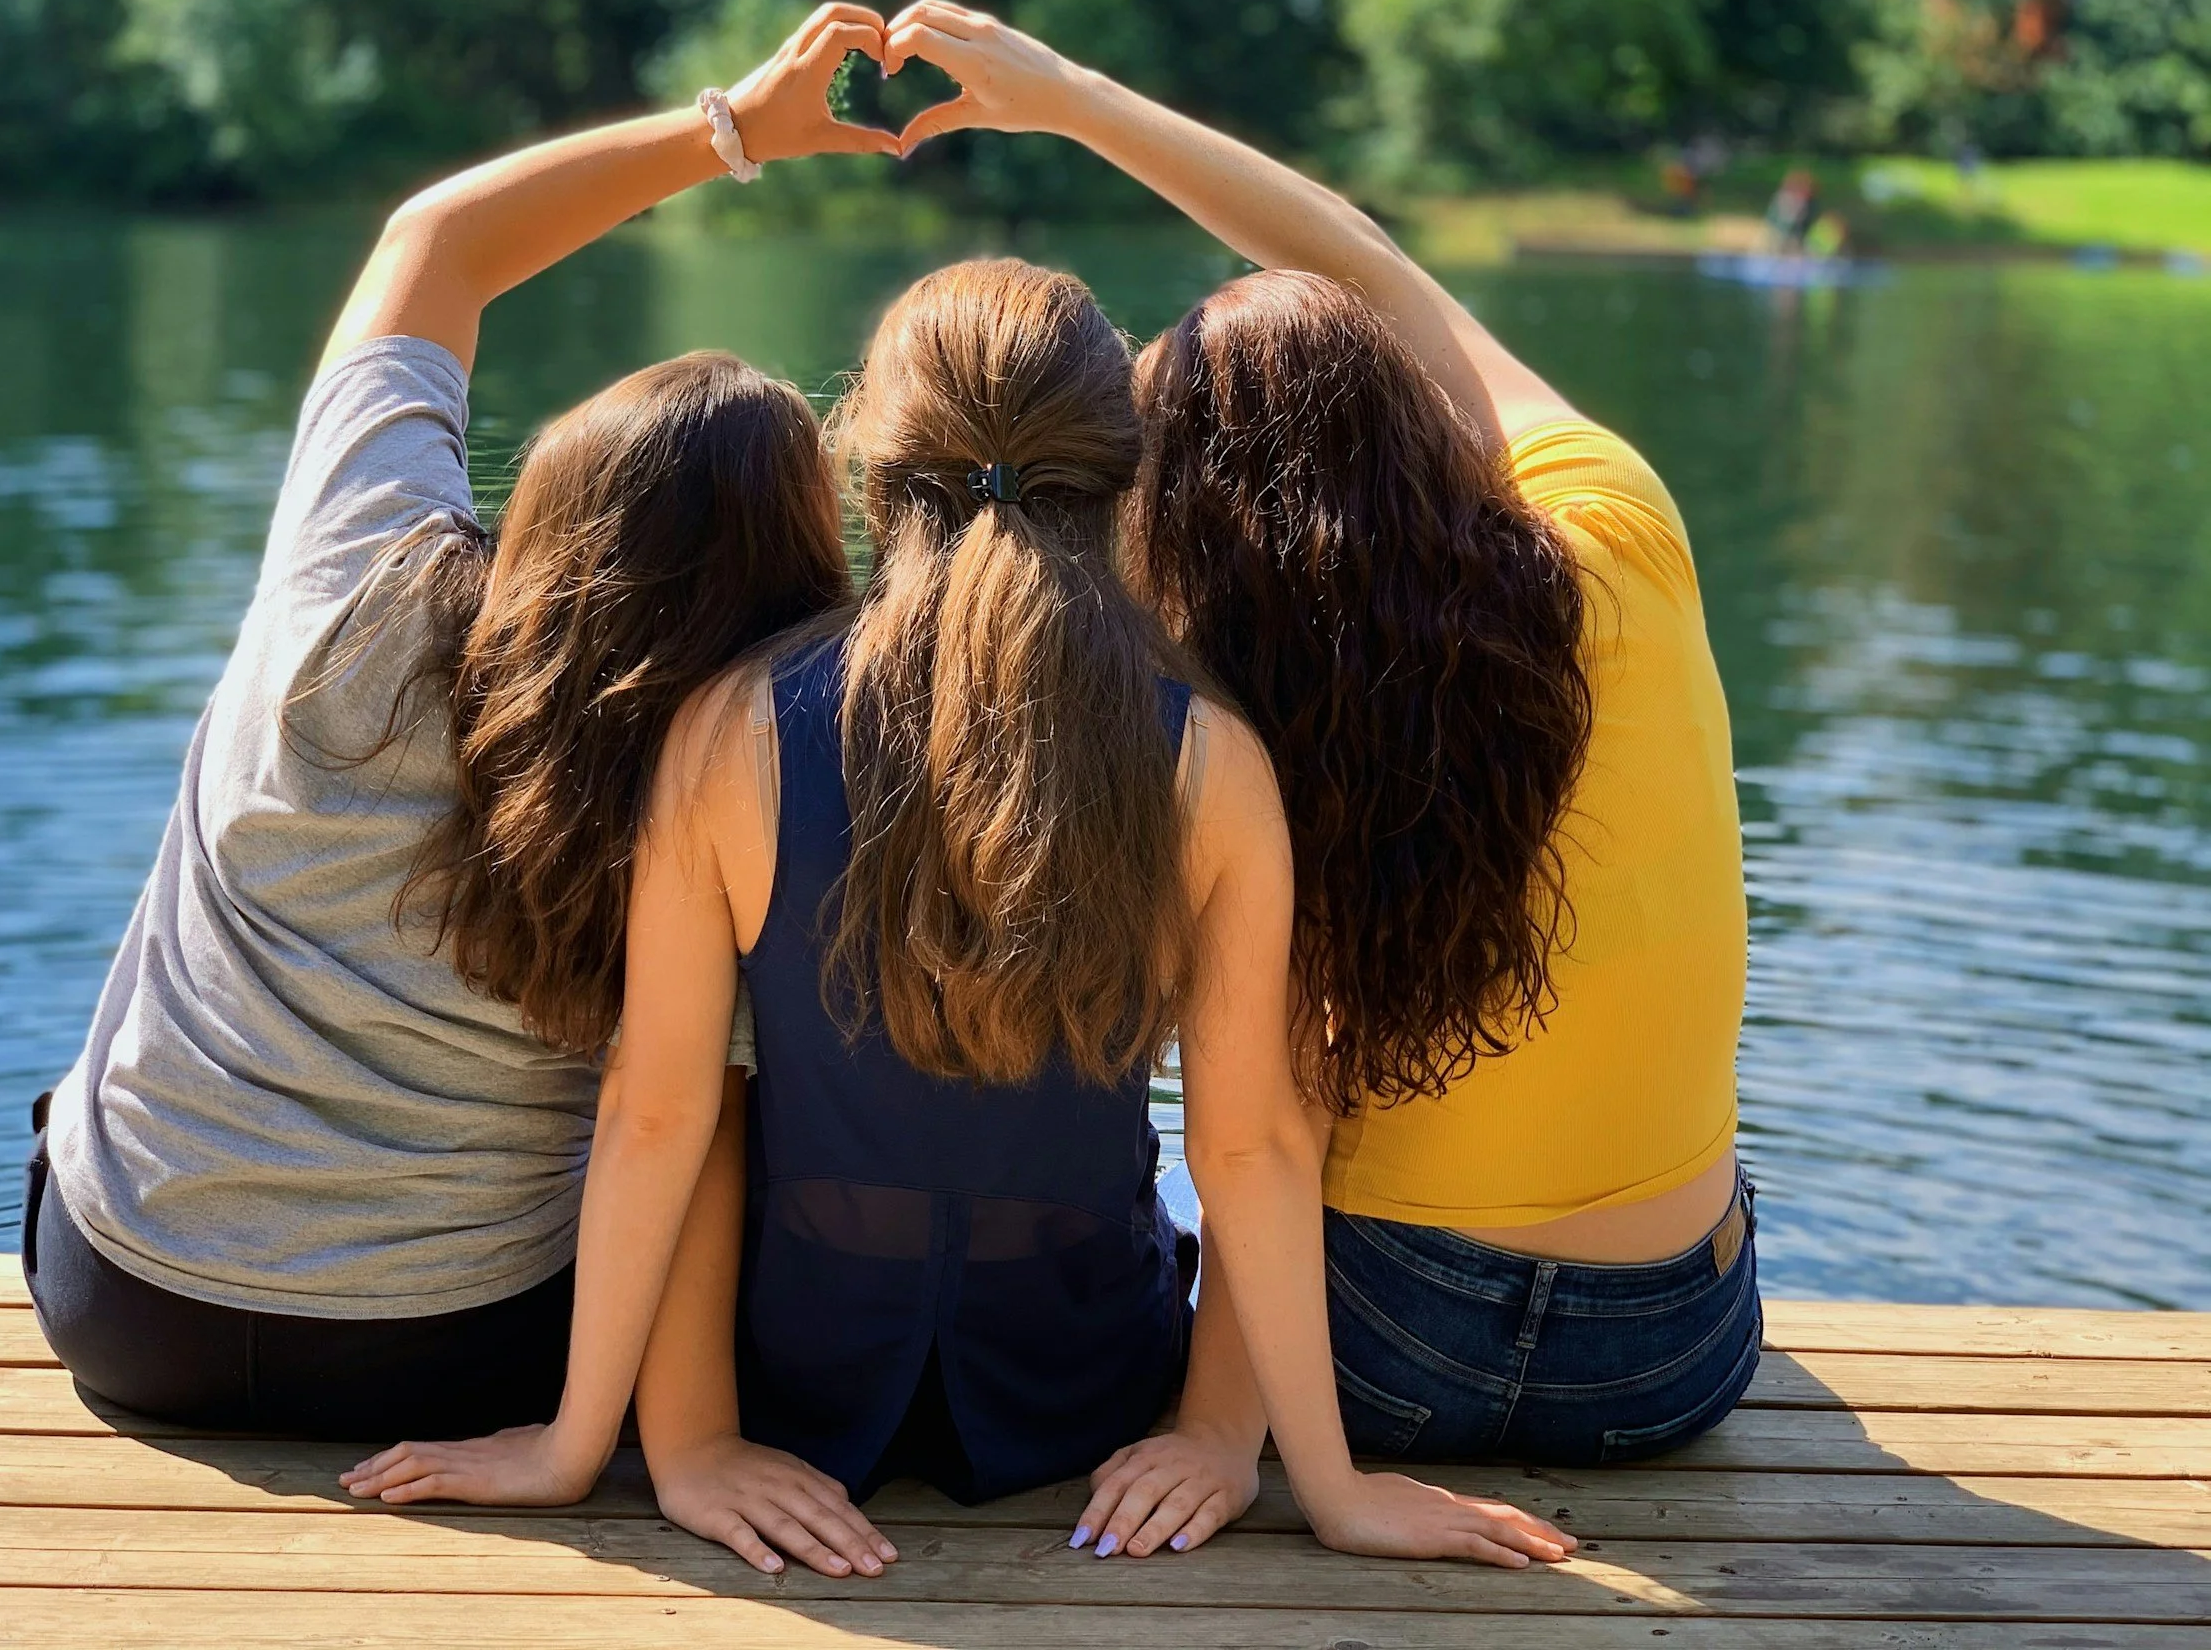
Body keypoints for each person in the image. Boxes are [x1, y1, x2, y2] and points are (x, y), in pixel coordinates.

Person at [341, 250, 1577, 1578]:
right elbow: (1255, 1148)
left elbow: (658, 1108)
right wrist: (1288, 1467)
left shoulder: (729, 730)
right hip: (1083, 1391)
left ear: (872, 465)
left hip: (792, 1387)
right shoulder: (1214, 757)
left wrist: (600, 1445)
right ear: (1123, 475)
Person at [874, 3, 1754, 1553]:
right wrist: (1074, 97)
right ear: (1420, 427)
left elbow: (1259, 1129)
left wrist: (1226, 1427)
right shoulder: (1620, 527)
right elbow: (1361, 257)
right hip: (1672, 1361)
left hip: (1375, 1360)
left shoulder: (1240, 734)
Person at [26, 3, 896, 1442]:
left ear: (551, 494)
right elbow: (689, 1131)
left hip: (128, 1308)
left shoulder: (350, 576)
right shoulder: (741, 771)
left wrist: (730, 128)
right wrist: (683, 1447)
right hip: (459, 1356)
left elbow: (433, 242)